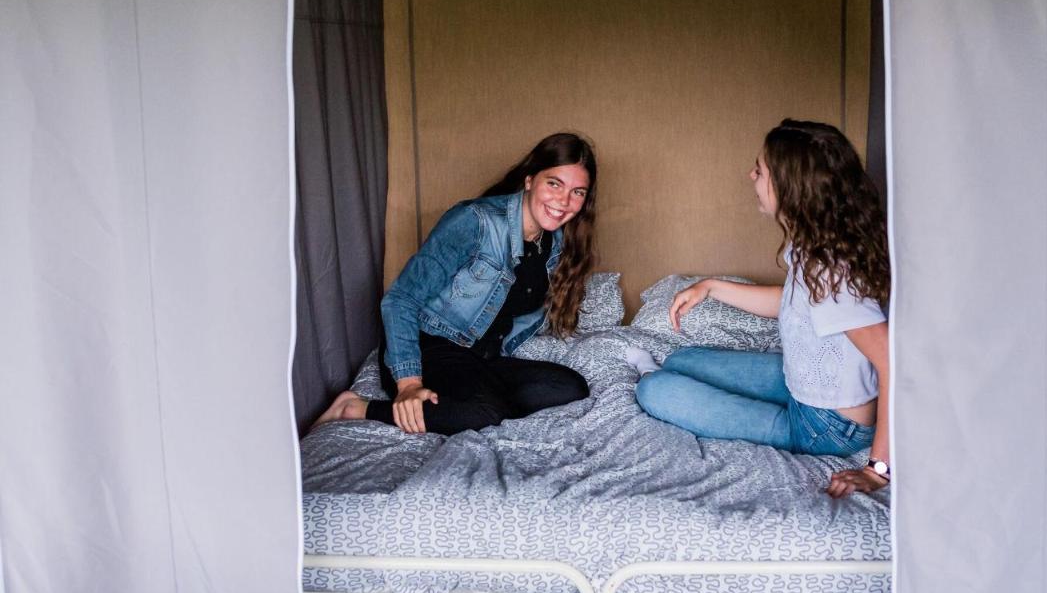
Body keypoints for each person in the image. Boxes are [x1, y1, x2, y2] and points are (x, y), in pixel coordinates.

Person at [628, 120, 891, 498]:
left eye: (760, 169)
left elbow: (891, 363)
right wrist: (711, 287)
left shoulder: (833, 273)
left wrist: (878, 470)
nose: (750, 175)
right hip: (801, 386)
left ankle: (654, 379)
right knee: (682, 358)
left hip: (828, 427)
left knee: (654, 391)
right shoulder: (813, 245)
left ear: (790, 187)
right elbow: (792, 303)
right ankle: (666, 373)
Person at [317, 132, 596, 434]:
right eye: (554, 183)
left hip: (480, 357)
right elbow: (400, 300)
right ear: (530, 180)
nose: (564, 201)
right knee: (486, 413)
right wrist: (409, 384)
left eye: (578, 192)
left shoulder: (554, 243)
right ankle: (356, 407)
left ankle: (466, 405)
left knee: (568, 387)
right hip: (429, 348)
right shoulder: (475, 221)